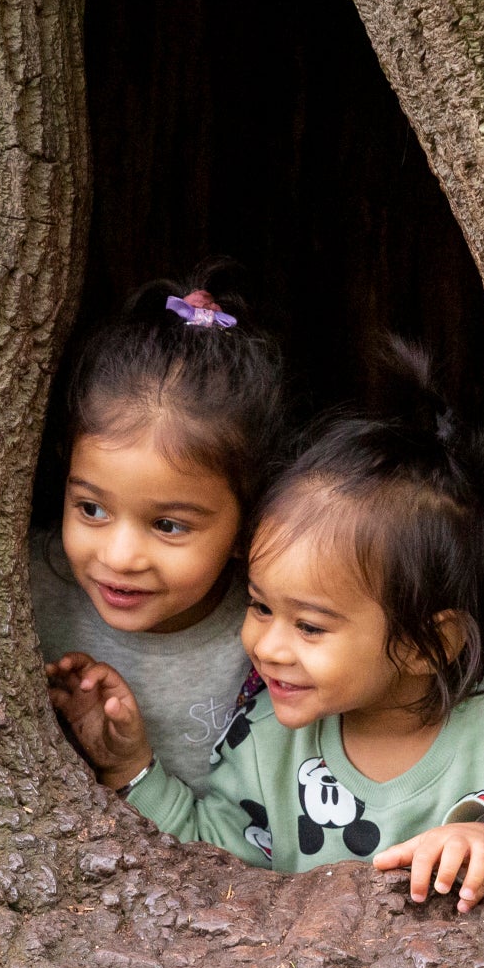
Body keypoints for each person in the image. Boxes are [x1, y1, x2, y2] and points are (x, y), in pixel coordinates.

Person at [55, 345, 484, 913]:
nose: (265, 647)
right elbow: (211, 859)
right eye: (260, 607)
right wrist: (131, 768)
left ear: (427, 644)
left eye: (309, 626)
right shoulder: (265, 738)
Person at [37, 275, 287, 791]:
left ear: (248, 527)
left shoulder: (275, 636)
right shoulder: (15, 594)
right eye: (91, 508)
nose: (121, 556)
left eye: (168, 525)